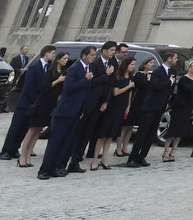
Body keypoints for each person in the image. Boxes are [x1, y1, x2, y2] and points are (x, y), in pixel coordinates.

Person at [38, 45, 96, 180]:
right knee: (55, 141)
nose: (94, 57)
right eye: (92, 55)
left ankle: (56, 167)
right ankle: (44, 169)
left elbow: (86, 92)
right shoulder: (74, 69)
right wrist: (85, 80)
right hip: (65, 111)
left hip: (76, 112)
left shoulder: (90, 69)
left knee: (66, 142)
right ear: (84, 56)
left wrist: (82, 110)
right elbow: (69, 87)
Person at [0, 43, 54, 160]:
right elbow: (28, 86)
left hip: (35, 103)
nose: (53, 56)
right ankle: (6, 150)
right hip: (26, 102)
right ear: (46, 53)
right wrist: (36, 99)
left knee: (25, 127)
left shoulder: (49, 67)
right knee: (16, 127)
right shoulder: (35, 66)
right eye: (52, 53)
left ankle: (14, 148)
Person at [127, 51, 179, 167]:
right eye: (175, 58)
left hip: (160, 106)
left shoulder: (172, 72)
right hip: (150, 106)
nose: (177, 60)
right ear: (169, 58)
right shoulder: (157, 71)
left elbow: (170, 89)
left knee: (151, 134)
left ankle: (142, 156)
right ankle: (132, 158)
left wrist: (167, 100)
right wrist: (169, 81)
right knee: (142, 133)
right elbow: (156, 86)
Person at [69, 40, 114, 171]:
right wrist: (106, 75)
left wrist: (106, 101)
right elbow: (92, 83)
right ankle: (70, 157)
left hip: (99, 104)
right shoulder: (95, 64)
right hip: (89, 103)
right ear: (104, 51)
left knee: (88, 133)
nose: (94, 56)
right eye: (111, 50)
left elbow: (110, 85)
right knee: (79, 133)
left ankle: (76, 161)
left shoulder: (111, 64)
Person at [18, 52, 69, 169]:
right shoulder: (51, 71)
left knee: (39, 130)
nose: (66, 60)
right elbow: (45, 86)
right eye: (64, 58)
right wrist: (58, 80)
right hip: (42, 103)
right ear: (58, 60)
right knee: (32, 129)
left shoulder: (64, 73)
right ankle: (22, 156)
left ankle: (29, 155)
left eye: (67, 58)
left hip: (51, 104)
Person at [90, 56, 136, 169]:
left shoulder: (130, 76)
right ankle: (95, 159)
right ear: (126, 64)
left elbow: (130, 92)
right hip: (112, 107)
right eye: (131, 65)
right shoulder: (117, 76)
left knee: (110, 136)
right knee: (103, 135)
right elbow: (116, 92)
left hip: (121, 108)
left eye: (134, 65)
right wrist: (128, 86)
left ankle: (104, 159)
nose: (133, 67)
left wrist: (129, 105)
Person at [163, 59, 193, 161]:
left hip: (189, 106)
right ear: (189, 68)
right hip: (180, 106)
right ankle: (166, 152)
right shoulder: (184, 79)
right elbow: (187, 89)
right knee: (173, 129)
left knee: (181, 130)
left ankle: (173, 151)